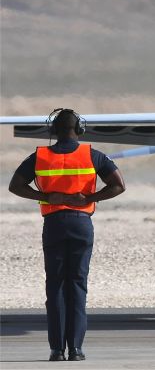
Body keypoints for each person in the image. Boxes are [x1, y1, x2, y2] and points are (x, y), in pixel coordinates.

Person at [8, 108, 125, 361]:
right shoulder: (92, 155)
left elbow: (15, 185)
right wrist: (90, 198)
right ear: (79, 129)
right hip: (82, 223)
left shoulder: (38, 157)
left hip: (54, 223)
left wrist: (46, 196)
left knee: (55, 286)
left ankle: (56, 350)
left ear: (53, 130)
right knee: (77, 285)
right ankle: (76, 349)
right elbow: (118, 185)